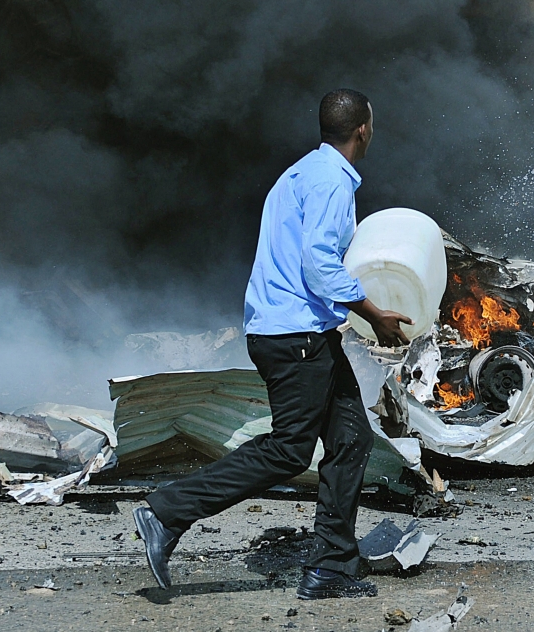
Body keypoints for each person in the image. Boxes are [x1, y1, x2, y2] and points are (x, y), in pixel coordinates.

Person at [134, 89, 414, 599]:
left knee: (352, 440)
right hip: (296, 337)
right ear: (363, 130)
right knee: (289, 450)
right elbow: (319, 265)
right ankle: (165, 512)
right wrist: (375, 314)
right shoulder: (332, 183)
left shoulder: (302, 172)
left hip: (299, 333)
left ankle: (331, 566)